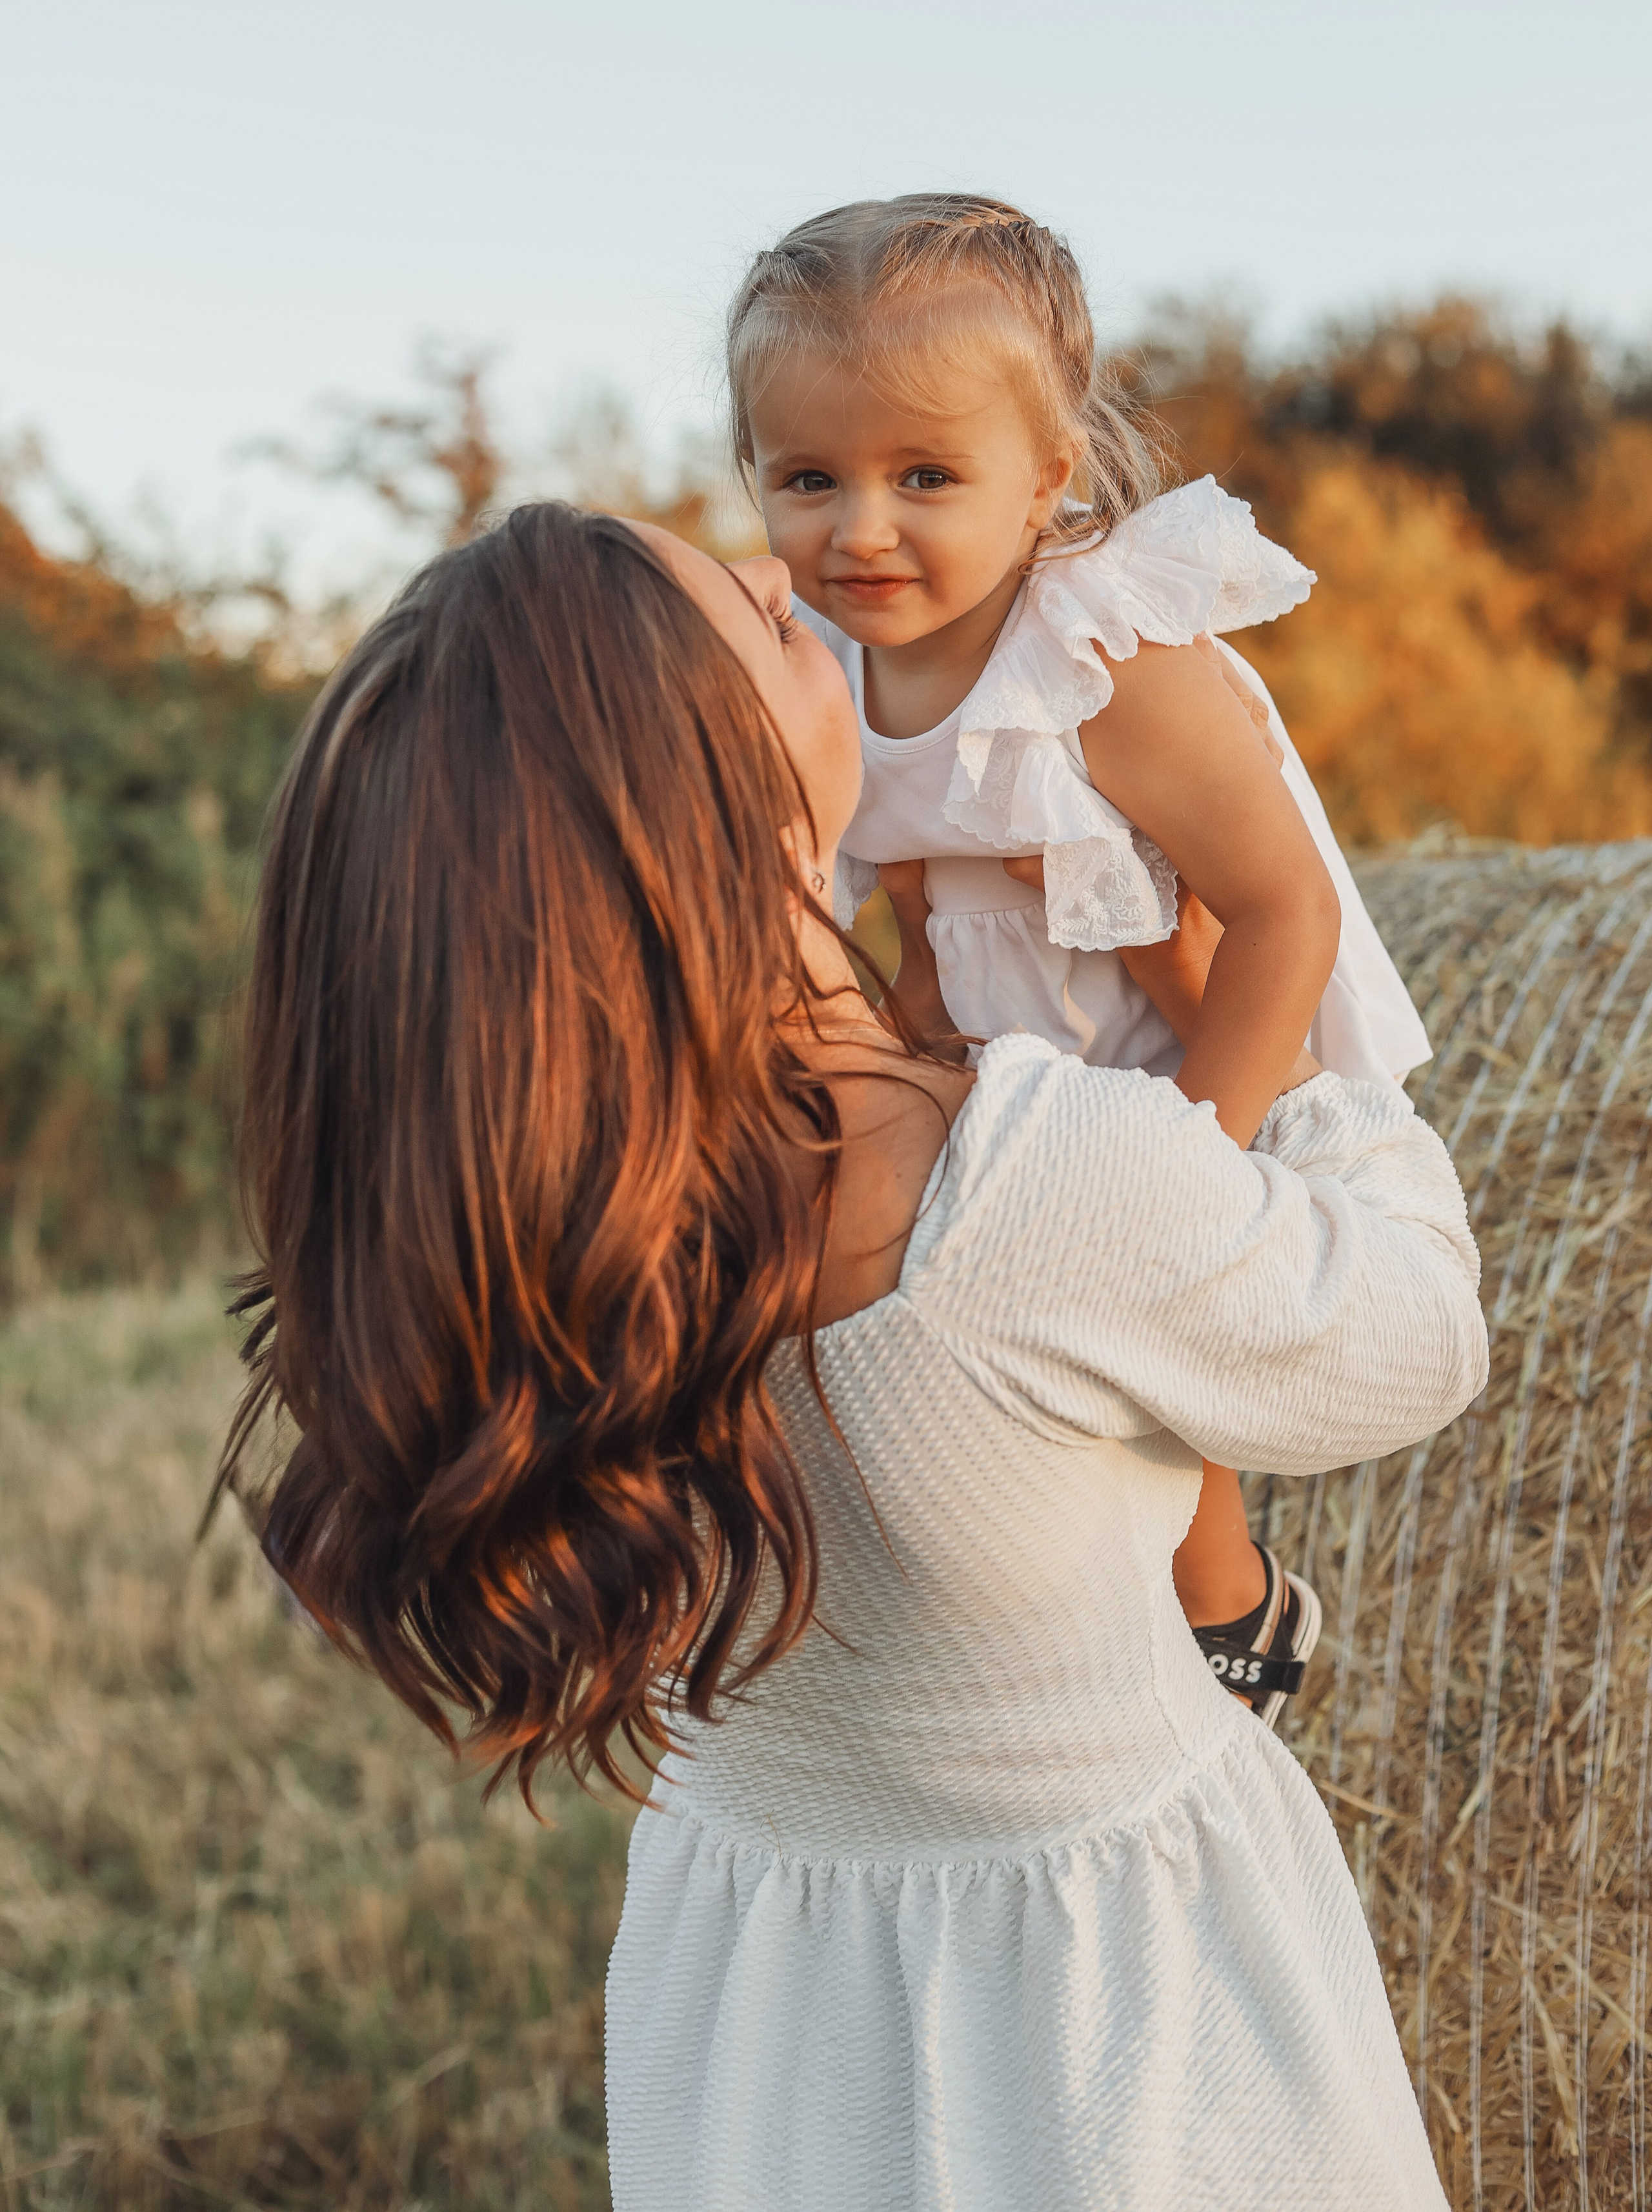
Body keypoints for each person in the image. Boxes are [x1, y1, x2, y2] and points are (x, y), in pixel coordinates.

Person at [219, 498, 1485, 2209]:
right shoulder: (1038, 1186)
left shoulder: (528, 1278)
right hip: (1124, 2042)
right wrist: (1300, 1048)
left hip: (763, 2027)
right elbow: (1415, 1336)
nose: (788, 572)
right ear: (715, 804)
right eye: (749, 610)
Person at [727, 192, 1433, 1724]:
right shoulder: (814, 664)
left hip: (1166, 1016)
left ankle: (1226, 1602)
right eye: (807, 476)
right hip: (973, 1037)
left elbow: (1282, 910)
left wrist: (1203, 1142)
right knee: (994, 1399)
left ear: (1044, 477)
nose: (859, 527)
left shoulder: (1103, 656)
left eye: (924, 475)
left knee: (1164, 1377)